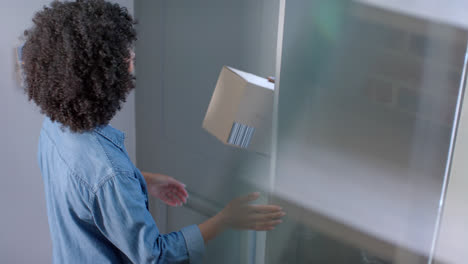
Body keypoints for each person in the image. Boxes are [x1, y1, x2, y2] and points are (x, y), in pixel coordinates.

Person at [21, 1, 285, 263]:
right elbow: (154, 255)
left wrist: (141, 180)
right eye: (130, 60)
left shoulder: (55, 126)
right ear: (106, 75)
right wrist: (226, 219)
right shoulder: (110, 173)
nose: (133, 67)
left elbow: (85, 191)